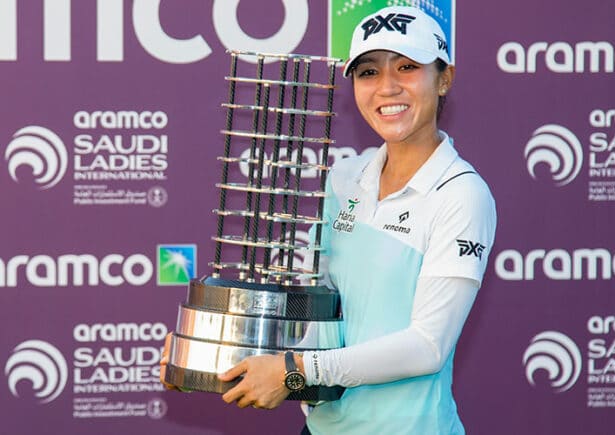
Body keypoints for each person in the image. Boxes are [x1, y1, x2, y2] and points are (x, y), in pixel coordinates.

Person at [161, 5, 496, 434]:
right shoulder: (343, 180)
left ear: (444, 78)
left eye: (408, 67)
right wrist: (212, 356)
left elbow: (426, 347)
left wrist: (294, 370)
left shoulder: (462, 195)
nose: (387, 88)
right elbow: (320, 323)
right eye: (368, 72)